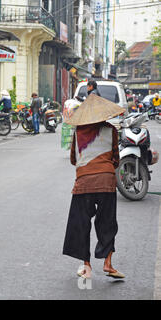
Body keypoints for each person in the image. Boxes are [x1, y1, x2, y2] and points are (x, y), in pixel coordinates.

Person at [63, 94, 125, 280]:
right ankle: (108, 263)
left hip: (83, 184)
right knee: (107, 223)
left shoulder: (78, 132)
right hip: (106, 182)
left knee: (81, 224)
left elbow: (74, 159)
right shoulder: (111, 130)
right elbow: (115, 158)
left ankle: (87, 267)